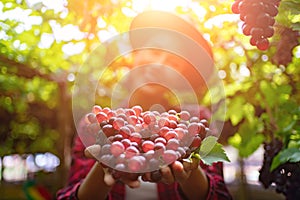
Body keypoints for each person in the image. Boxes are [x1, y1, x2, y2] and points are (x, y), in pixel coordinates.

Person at [57, 10, 232, 200]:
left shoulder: (198, 123)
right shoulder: (96, 124)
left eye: (174, 62)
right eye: (155, 51)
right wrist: (106, 164)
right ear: (136, 54)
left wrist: (189, 172)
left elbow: (220, 196)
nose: (159, 65)